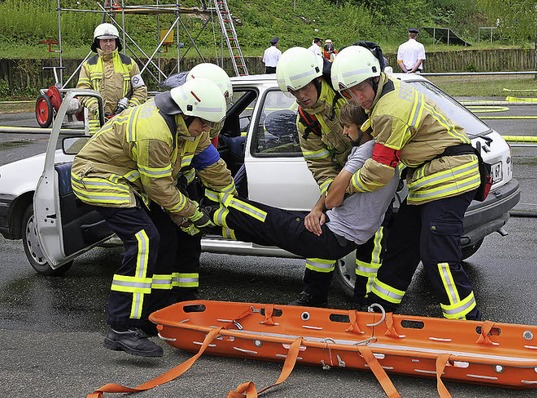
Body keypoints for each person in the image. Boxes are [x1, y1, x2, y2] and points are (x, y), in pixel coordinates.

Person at [70, 78, 236, 357]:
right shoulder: (155, 130)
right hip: (96, 177)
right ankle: (121, 327)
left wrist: (232, 199)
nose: (206, 130)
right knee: (144, 239)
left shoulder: (193, 126)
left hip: (128, 182)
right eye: (204, 124)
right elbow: (159, 187)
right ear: (186, 111)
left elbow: (212, 167)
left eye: (210, 125)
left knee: (166, 237)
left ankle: (152, 316)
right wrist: (193, 214)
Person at [331, 45, 482, 320]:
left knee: (437, 254)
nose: (356, 97)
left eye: (360, 89)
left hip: (448, 178)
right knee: (402, 242)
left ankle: (466, 324)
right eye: (348, 93)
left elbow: (379, 171)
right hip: (430, 180)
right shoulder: (386, 95)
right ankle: (380, 307)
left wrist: (346, 187)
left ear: (375, 77)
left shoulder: (390, 109)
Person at [202, 103, 399, 299]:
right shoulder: (377, 153)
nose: (345, 132)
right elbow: (334, 194)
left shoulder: (365, 152)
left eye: (348, 126)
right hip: (340, 232)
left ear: (363, 126)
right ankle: (219, 224)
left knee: (271, 221)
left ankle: (217, 210)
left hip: (336, 236)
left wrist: (328, 199)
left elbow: (332, 199)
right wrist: (318, 208)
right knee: (270, 232)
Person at [275, 47, 390, 309]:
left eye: (304, 88)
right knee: (321, 228)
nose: (301, 96)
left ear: (317, 79)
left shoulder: (348, 96)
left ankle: (365, 303)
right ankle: (313, 295)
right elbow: (320, 166)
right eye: (294, 92)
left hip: (374, 174)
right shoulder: (305, 119)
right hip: (342, 181)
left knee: (372, 240)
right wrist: (330, 199)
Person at [156, 62, 234, 303]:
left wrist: (232, 197)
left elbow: (211, 163)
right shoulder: (169, 119)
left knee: (190, 241)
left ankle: (186, 297)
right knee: (166, 243)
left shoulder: (198, 118)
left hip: (184, 185)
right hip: (159, 189)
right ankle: (161, 302)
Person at [76, 23, 147, 131]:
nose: (108, 44)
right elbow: (83, 92)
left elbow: (140, 90)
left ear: (116, 41)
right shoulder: (89, 65)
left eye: (111, 40)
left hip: (125, 123)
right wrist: (97, 109)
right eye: (105, 40)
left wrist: (128, 109)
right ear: (98, 42)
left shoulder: (129, 63)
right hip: (97, 126)